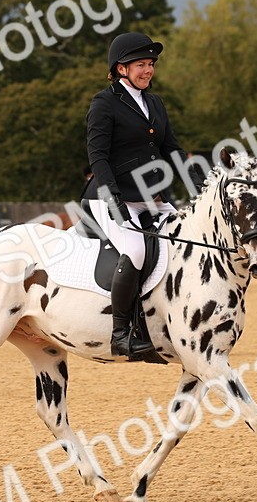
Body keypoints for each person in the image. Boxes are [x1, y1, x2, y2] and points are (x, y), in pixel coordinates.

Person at [81, 31, 197, 360]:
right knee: (134, 250)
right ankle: (121, 333)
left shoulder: (155, 103)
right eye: (141, 65)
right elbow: (98, 156)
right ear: (121, 69)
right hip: (109, 196)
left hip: (151, 195)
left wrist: (197, 183)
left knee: (185, 239)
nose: (148, 70)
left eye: (151, 64)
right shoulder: (104, 103)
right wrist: (113, 198)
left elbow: (171, 148)